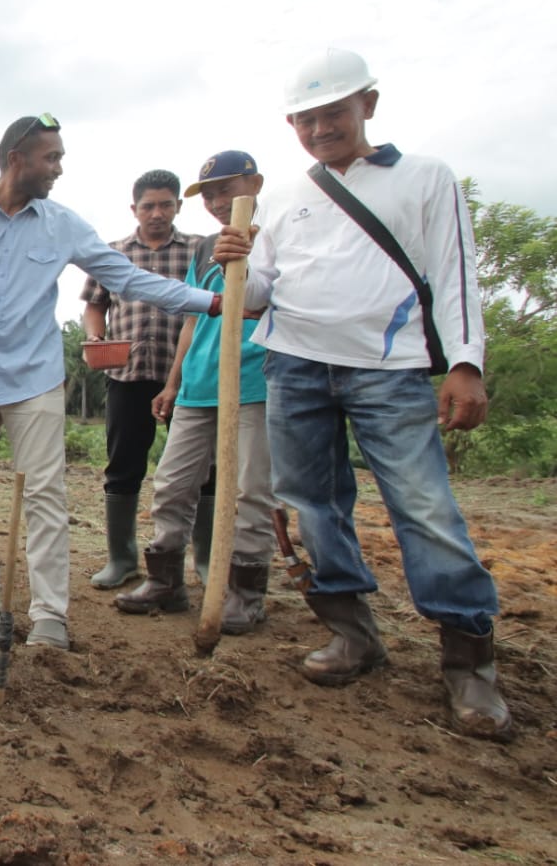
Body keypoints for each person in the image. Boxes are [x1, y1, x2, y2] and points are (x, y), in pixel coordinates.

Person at [214, 48, 510, 740]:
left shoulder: (425, 178)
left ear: (366, 105)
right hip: (294, 364)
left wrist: (465, 362)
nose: (320, 129)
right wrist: (237, 261)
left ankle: (468, 660)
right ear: (291, 125)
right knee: (312, 504)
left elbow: (455, 272)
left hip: (389, 367)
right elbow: (258, 295)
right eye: (306, 119)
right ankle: (351, 632)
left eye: (333, 114)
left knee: (423, 506)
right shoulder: (281, 198)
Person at [0, 113, 219, 650]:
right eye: (51, 157)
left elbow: (128, 278)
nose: (59, 168)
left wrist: (210, 302)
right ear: (17, 159)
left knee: (45, 494)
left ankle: (49, 613)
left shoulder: (63, 224)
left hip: (34, 378)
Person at [115, 151, 275, 632]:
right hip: (199, 385)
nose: (218, 202)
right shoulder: (206, 248)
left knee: (250, 491)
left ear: (255, 185)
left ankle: (245, 594)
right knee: (172, 485)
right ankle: (165, 581)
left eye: (227, 190)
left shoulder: (275, 240)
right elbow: (191, 319)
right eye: (209, 195)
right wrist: (173, 382)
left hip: (254, 383)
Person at [81, 169, 201, 590]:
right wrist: (95, 336)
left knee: (203, 468)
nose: (157, 213)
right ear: (134, 209)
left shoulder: (198, 250)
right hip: (126, 374)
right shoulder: (112, 254)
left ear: (178, 206)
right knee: (123, 465)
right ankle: (122, 559)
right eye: (148, 206)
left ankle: (204, 559)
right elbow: (95, 305)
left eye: (166, 205)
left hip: (187, 376)